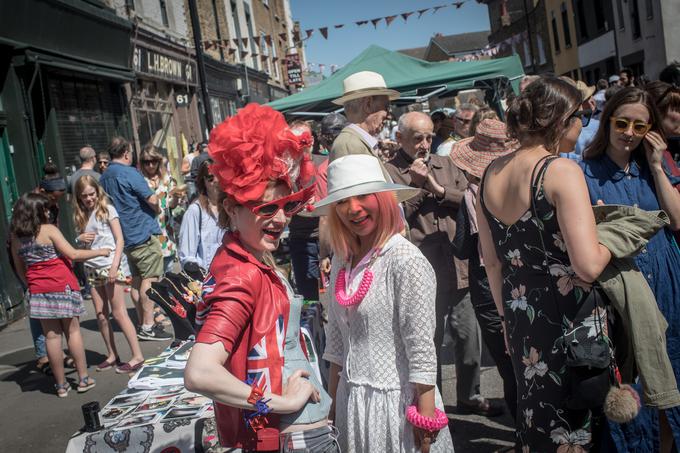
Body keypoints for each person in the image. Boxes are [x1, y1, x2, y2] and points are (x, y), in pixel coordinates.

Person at [184, 104, 337, 452]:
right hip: (284, 433)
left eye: (287, 206)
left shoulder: (248, 256)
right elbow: (199, 373)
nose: (281, 218)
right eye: (266, 208)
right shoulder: (240, 272)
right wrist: (277, 403)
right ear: (231, 209)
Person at [476, 76, 613, 450]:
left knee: (537, 415)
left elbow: (492, 263)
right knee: (578, 418)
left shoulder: (489, 174)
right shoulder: (560, 171)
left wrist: (506, 319)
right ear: (561, 120)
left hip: (521, 317)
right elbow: (588, 266)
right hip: (569, 317)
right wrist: (615, 241)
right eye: (580, 117)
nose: (584, 124)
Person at [315, 153, 453, 452]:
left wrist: (425, 423)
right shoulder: (341, 260)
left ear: (383, 198)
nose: (353, 208)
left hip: (397, 410)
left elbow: (421, 351)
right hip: (352, 407)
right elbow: (337, 346)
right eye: (342, 201)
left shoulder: (405, 261)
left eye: (363, 195)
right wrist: (333, 406)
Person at [580, 87, 680, 452]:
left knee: (671, 390)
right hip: (622, 294)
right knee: (631, 391)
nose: (629, 133)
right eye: (622, 123)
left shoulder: (650, 167)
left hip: (667, 283)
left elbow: (676, 218)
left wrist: (656, 165)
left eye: (640, 126)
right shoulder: (584, 172)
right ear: (607, 123)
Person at [385, 112, 502, 418]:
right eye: (416, 139)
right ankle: (431, 402)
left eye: (428, 137)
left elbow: (470, 197)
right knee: (428, 342)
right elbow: (393, 218)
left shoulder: (447, 163)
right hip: (423, 270)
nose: (424, 144)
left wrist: (438, 189)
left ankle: (470, 395)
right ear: (400, 139)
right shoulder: (389, 172)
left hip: (458, 265)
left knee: (468, 336)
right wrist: (417, 185)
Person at [450, 119, 520, 421]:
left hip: (487, 289)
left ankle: (522, 430)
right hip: (524, 279)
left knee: (508, 366)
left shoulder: (471, 196)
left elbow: (463, 247)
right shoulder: (522, 186)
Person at [10, 193, 110, 396]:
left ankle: (61, 385)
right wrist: (100, 252)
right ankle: (83, 379)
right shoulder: (49, 230)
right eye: (44, 208)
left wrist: (29, 283)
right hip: (62, 285)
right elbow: (73, 254)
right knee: (72, 332)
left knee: (51, 337)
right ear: (36, 211)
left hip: (38, 290)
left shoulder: (17, 237)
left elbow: (19, 266)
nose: (48, 211)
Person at [99, 137, 171, 342]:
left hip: (124, 236)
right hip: (141, 233)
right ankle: (148, 325)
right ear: (126, 153)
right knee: (150, 280)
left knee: (138, 281)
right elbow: (152, 199)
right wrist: (157, 207)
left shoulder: (104, 177)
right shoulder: (130, 172)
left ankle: (143, 322)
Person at [72, 176, 144, 374]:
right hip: (91, 266)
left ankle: (137, 355)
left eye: (91, 194)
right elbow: (84, 245)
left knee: (118, 312)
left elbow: (119, 239)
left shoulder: (107, 209)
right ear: (78, 197)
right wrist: (78, 238)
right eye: (84, 195)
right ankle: (112, 355)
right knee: (101, 314)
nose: (88, 199)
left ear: (98, 192)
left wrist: (114, 266)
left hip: (110, 264)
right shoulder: (81, 214)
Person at [330, 71, 399, 165]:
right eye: (386, 107)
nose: (388, 115)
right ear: (368, 104)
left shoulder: (354, 142)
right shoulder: (351, 145)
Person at [178, 159, 225, 273]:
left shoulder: (232, 209)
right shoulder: (195, 211)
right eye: (210, 178)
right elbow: (187, 256)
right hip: (208, 281)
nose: (216, 181)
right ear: (203, 181)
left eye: (219, 175)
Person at [139, 145, 178, 273]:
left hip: (166, 231)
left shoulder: (167, 180)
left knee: (169, 274)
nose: (150, 165)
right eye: (146, 162)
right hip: (149, 233)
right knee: (153, 277)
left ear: (158, 161)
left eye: (153, 161)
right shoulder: (139, 181)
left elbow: (172, 205)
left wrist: (176, 197)